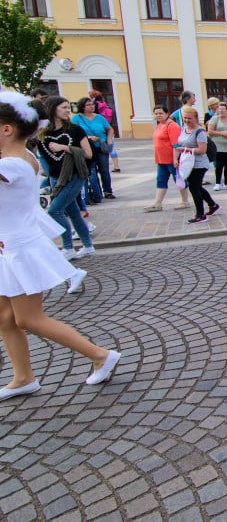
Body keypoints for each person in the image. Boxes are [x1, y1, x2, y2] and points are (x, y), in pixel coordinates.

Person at [0, 91, 121, 402]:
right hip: (10, 247)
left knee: (27, 318)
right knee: (5, 317)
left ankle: (100, 355)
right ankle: (23, 376)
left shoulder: (14, 164)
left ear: (7, 129)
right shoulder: (20, 158)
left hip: (20, 248)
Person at [37, 96, 96, 259]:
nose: (67, 110)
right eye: (63, 107)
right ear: (52, 109)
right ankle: (88, 246)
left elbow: (88, 154)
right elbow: (42, 156)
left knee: (54, 210)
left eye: (67, 107)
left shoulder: (75, 130)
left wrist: (64, 147)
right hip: (56, 178)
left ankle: (68, 247)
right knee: (74, 212)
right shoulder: (42, 133)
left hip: (75, 175)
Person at [174, 107, 219, 224]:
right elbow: (177, 144)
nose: (187, 120)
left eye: (190, 118)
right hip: (187, 164)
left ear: (195, 118)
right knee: (197, 187)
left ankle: (200, 214)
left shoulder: (199, 132)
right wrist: (176, 158)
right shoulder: (183, 128)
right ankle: (213, 205)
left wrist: (185, 149)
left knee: (194, 188)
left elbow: (202, 150)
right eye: (185, 118)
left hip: (199, 164)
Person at [144, 104, 190, 212]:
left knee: (178, 179)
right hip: (161, 159)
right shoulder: (159, 125)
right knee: (161, 180)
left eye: (161, 113)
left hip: (171, 159)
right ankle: (157, 203)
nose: (158, 116)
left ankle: (185, 201)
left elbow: (176, 144)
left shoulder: (172, 126)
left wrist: (175, 159)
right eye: (156, 114)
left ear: (167, 114)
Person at [71, 96, 115, 202]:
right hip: (87, 147)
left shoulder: (99, 117)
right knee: (91, 172)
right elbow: (74, 132)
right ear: (82, 106)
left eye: (92, 104)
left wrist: (109, 140)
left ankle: (108, 191)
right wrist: (89, 137)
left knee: (104, 169)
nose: (92, 106)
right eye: (89, 105)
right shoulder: (76, 118)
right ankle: (95, 193)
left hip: (100, 146)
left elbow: (109, 129)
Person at [207, 102, 227, 190]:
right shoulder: (214, 119)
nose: (221, 111)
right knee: (219, 165)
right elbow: (210, 131)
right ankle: (217, 183)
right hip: (218, 146)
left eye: (223, 109)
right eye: (219, 109)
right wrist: (221, 133)